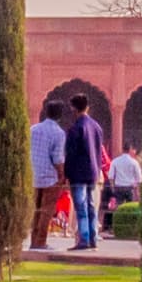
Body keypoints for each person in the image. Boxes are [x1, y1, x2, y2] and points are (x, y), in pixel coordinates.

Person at [61, 100, 107, 249]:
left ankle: (84, 239)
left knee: (80, 206)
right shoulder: (97, 127)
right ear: (88, 107)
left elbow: (71, 154)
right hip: (93, 171)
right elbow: (99, 152)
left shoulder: (75, 128)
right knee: (91, 205)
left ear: (73, 108)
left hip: (78, 173)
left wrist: (66, 174)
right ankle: (93, 238)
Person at [27, 101, 69, 250]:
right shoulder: (58, 133)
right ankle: (40, 242)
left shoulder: (33, 129)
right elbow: (57, 158)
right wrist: (62, 175)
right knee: (46, 210)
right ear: (60, 115)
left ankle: (34, 241)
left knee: (36, 209)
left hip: (32, 175)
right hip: (50, 176)